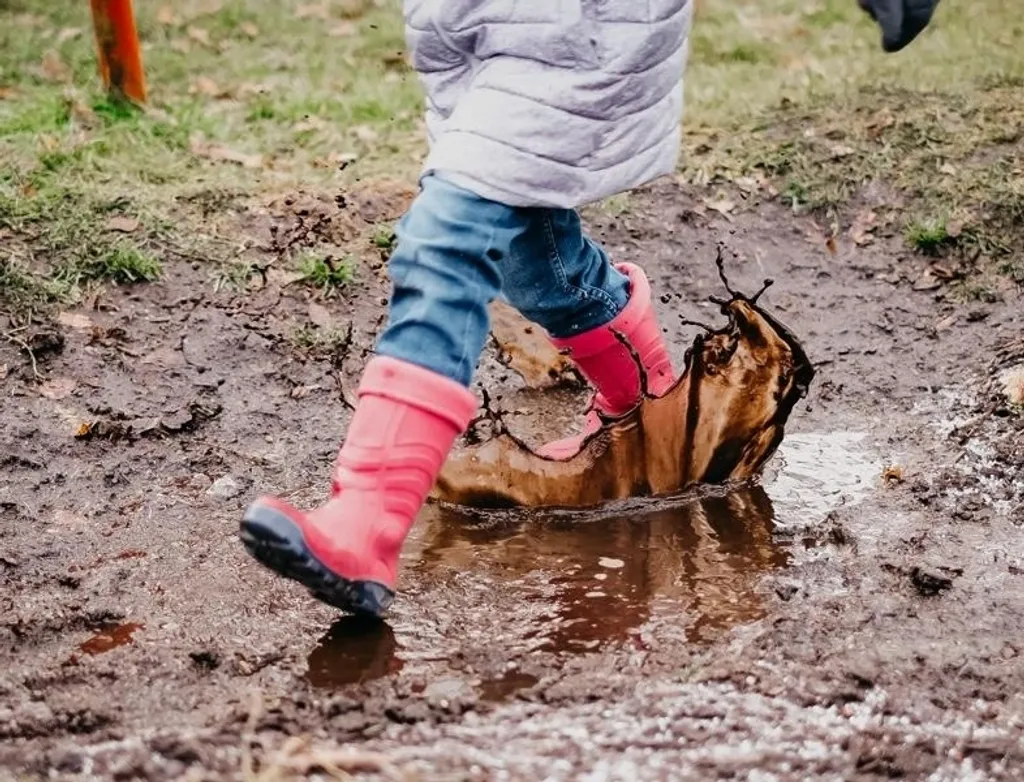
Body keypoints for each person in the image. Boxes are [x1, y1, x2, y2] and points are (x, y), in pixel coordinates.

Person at [239, 0, 939, 617]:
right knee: (534, 264)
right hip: (478, 33)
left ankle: (367, 518)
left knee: (444, 240)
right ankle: (647, 418)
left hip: (575, 36)